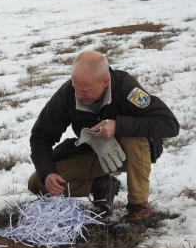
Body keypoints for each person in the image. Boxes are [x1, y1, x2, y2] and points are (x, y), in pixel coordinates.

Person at [28, 50, 179, 233]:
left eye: (84, 91)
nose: (77, 96)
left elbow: (169, 124)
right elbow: (40, 136)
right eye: (75, 88)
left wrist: (118, 125)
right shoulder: (69, 93)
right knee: (37, 182)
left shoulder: (125, 88)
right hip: (95, 152)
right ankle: (102, 185)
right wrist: (48, 173)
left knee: (135, 138)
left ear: (105, 82)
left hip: (131, 154)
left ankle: (139, 209)